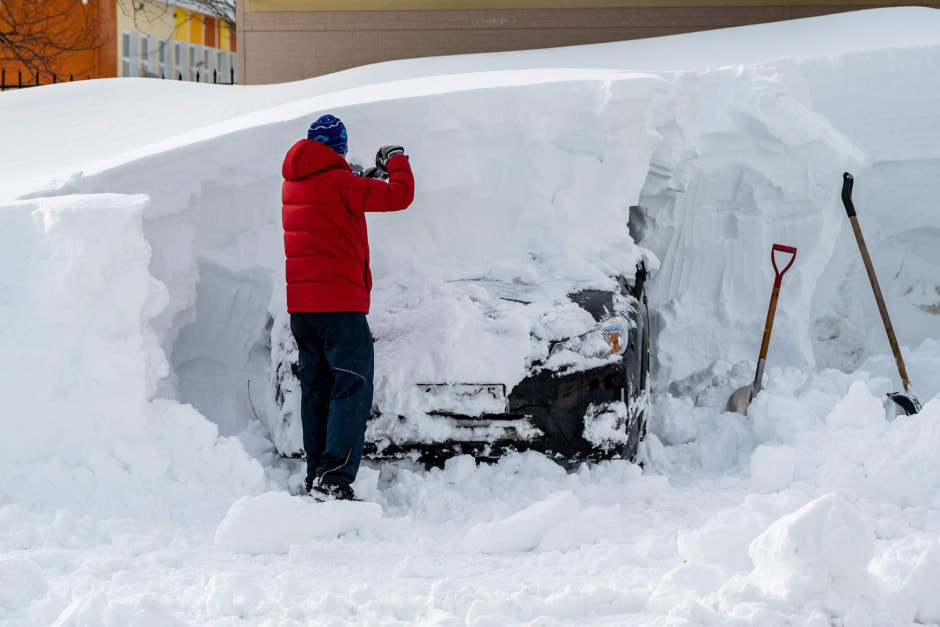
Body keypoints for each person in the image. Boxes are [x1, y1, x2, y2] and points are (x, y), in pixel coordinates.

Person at [281, 114, 415, 500]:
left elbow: (340, 194)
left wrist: (363, 178)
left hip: (302, 311)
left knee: (317, 392)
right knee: (350, 388)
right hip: (339, 307)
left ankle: (316, 474)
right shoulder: (343, 184)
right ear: (339, 149)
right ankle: (335, 478)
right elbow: (400, 195)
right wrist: (396, 161)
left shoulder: (294, 183)